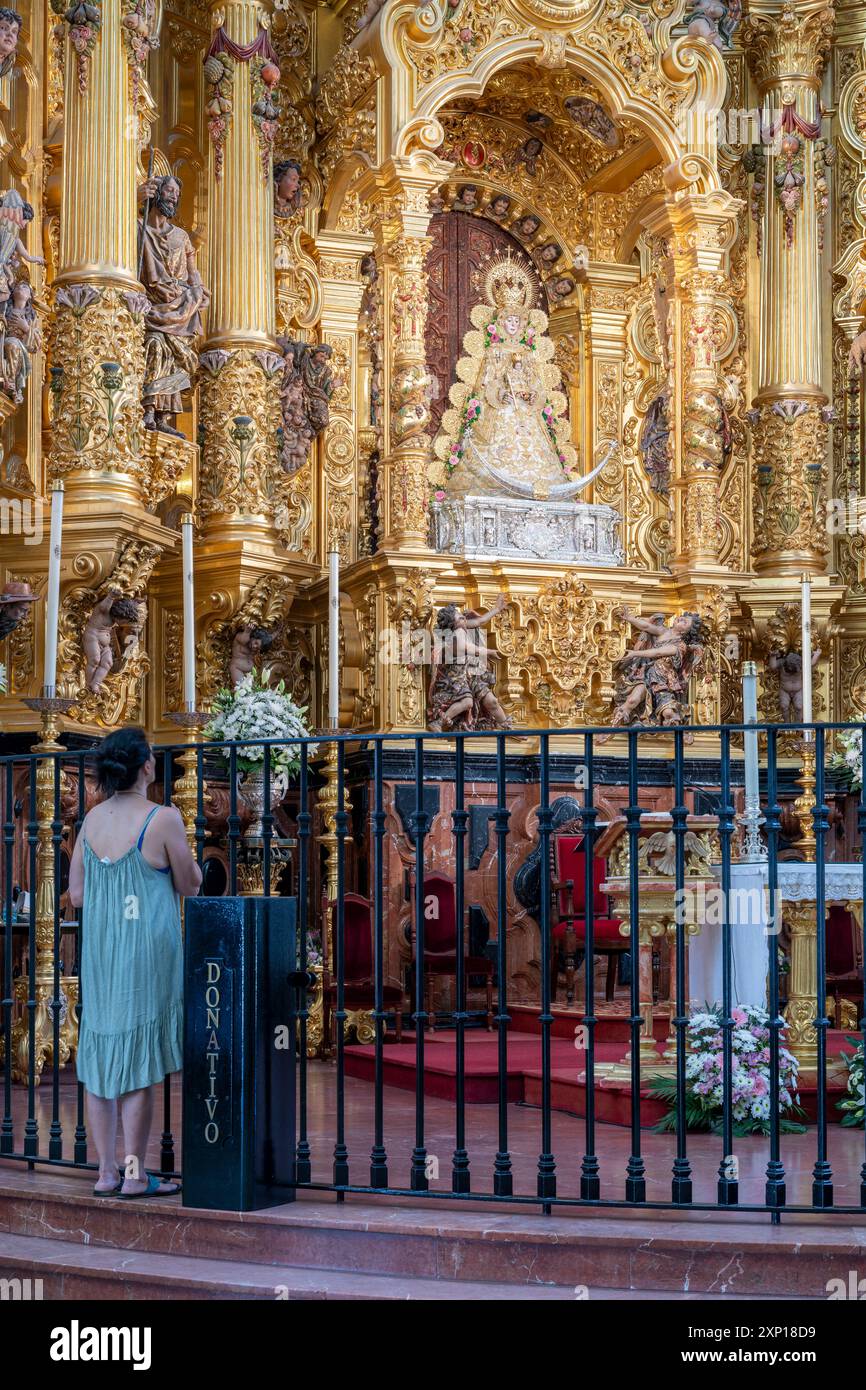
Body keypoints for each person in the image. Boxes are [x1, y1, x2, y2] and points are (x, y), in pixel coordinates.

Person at [68, 727, 202, 1198]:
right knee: (139, 1062)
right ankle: (134, 1173)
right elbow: (190, 884)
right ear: (147, 765)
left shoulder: (90, 821)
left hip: (102, 953)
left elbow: (78, 895)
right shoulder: (163, 818)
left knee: (102, 1056)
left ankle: (105, 1172)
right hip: (146, 950)